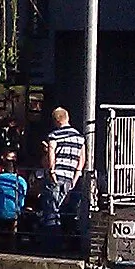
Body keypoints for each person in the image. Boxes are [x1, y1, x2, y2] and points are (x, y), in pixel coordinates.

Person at [39, 107, 86, 251]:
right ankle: (67, 244)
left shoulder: (54, 135)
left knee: (51, 210)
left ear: (55, 120)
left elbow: (52, 153)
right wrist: (76, 177)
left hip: (56, 176)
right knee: (65, 210)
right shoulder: (79, 137)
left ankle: (51, 246)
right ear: (67, 118)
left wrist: (52, 171)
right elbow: (82, 158)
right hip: (70, 178)